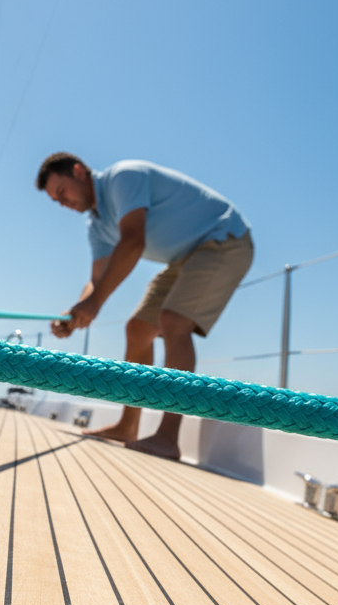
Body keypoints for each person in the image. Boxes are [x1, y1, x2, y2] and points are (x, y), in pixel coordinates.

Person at [37, 154, 253, 460]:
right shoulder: (96, 227)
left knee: (173, 322)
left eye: (62, 192)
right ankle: (128, 426)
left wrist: (95, 303)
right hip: (185, 256)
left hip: (224, 239)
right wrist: (75, 313)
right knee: (138, 330)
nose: (63, 203)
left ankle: (168, 437)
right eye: (56, 201)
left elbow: (133, 241)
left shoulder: (123, 177)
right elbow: (96, 281)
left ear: (78, 171)